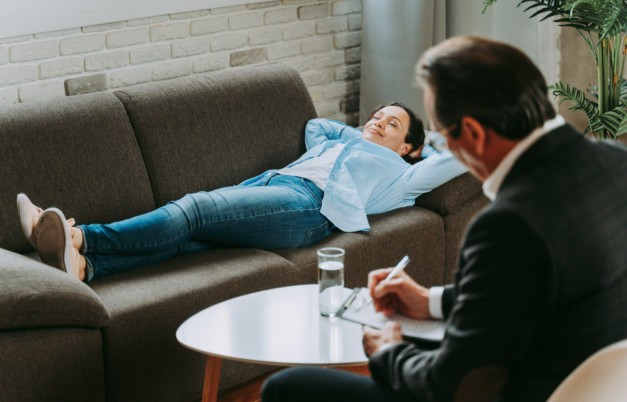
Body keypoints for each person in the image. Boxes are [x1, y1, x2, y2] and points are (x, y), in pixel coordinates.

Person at [261, 36, 627, 402]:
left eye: (444, 135)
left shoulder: (508, 223)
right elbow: (522, 290)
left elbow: (456, 388)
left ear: (472, 134)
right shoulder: (617, 162)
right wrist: (430, 301)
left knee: (287, 387)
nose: (448, 148)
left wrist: (389, 353)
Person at [17, 102, 466, 283]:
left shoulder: (403, 175)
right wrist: (357, 135)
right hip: (271, 184)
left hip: (309, 207)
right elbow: (316, 125)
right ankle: (85, 268)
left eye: (392, 124)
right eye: (377, 115)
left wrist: (429, 147)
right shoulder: (340, 140)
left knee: (193, 210)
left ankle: (81, 236)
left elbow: (456, 157)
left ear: (409, 147)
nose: (378, 122)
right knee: (193, 239)